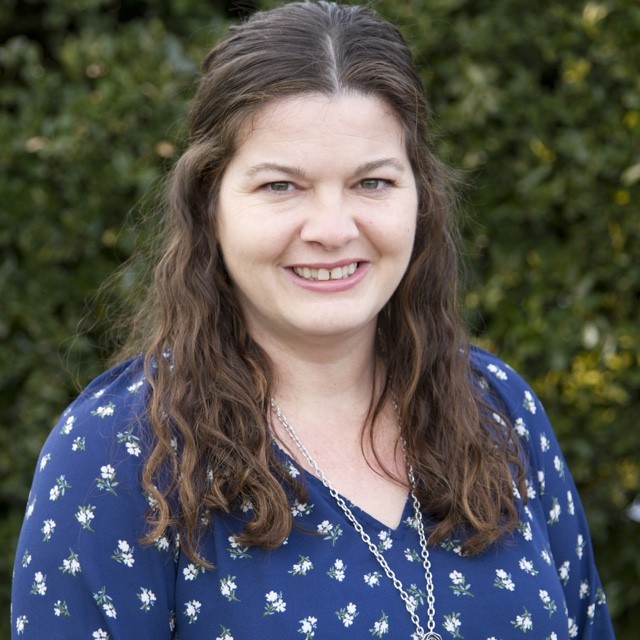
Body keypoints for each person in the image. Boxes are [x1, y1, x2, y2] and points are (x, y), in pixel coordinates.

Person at [11, 2, 615, 639]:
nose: (332, 230)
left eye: (373, 182)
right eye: (281, 186)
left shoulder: (500, 410)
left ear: (421, 197)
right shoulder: (119, 452)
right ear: (210, 206)